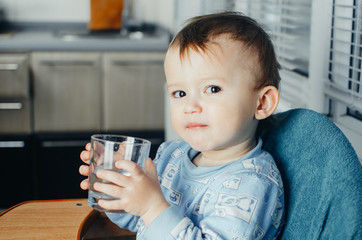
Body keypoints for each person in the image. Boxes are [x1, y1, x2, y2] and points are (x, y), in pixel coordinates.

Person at [79, 11, 284, 239]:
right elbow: (140, 221)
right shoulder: (172, 155)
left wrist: (151, 205)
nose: (190, 106)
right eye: (180, 93)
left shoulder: (253, 185)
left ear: (262, 103)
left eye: (212, 89)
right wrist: (118, 189)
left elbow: (151, 212)